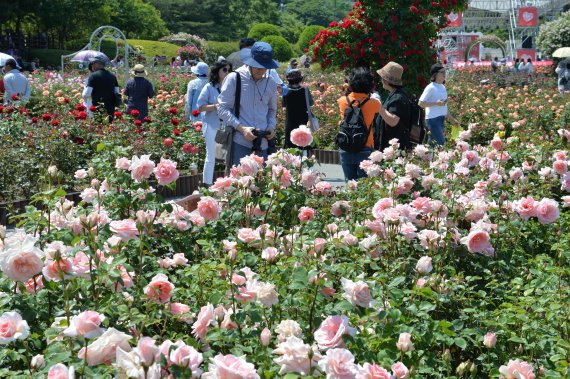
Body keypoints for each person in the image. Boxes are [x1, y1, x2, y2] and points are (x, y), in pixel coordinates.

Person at [218, 41, 278, 167]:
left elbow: (272, 110)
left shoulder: (271, 82)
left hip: (263, 143)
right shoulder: (235, 78)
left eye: (264, 66)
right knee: (239, 184)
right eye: (257, 66)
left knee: (262, 184)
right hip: (240, 142)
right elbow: (222, 108)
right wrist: (242, 128)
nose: (261, 70)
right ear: (250, 62)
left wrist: (271, 126)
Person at [337, 67, 381, 181]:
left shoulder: (342, 101)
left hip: (346, 147)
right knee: (365, 187)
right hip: (365, 146)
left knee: (350, 185)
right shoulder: (374, 103)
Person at [196, 59, 233, 185]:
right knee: (211, 156)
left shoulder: (231, 87)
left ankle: (227, 184)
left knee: (228, 156)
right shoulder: (209, 87)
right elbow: (200, 106)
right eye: (225, 70)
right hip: (212, 124)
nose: (227, 72)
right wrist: (216, 106)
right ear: (218, 71)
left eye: (229, 70)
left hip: (228, 125)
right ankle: (207, 184)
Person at [418, 63, 459, 146]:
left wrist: (452, 119)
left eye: (445, 71)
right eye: (442, 72)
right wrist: (436, 103)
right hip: (432, 120)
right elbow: (420, 103)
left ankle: (424, 157)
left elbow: (444, 106)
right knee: (440, 144)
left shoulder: (442, 87)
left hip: (440, 119)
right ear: (435, 74)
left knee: (433, 145)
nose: (444, 74)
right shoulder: (430, 87)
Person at [376, 61, 411, 150]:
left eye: (382, 78)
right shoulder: (395, 94)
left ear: (386, 80)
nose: (381, 80)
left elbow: (393, 121)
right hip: (391, 146)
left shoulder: (398, 97)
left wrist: (378, 105)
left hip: (394, 148)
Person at [82, 54, 120, 121]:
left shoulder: (93, 76)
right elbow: (117, 92)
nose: (92, 65)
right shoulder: (112, 76)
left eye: (93, 63)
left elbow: (87, 93)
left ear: (98, 63)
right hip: (110, 107)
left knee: (97, 128)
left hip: (96, 107)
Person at [282, 69, 313, 149]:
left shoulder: (286, 91)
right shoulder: (305, 90)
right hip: (303, 123)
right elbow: (311, 103)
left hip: (290, 123)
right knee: (304, 146)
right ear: (300, 79)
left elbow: (284, 105)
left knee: (291, 148)